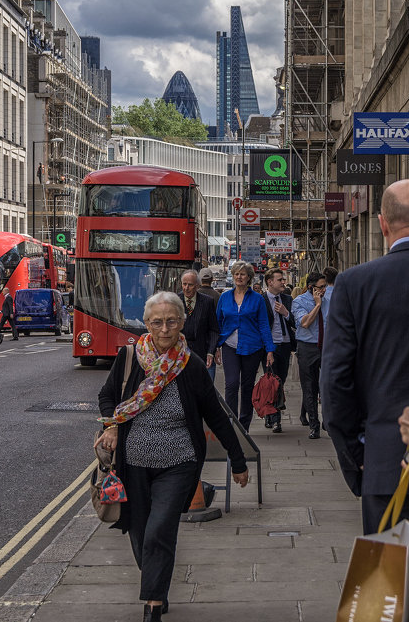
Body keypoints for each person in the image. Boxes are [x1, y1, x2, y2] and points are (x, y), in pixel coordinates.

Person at [97, 291, 248, 622]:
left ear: (182, 322)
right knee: (138, 532)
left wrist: (238, 461)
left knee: (159, 530)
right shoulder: (128, 358)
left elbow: (217, 415)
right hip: (132, 463)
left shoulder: (190, 365)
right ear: (147, 324)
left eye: (172, 321)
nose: (165, 329)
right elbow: (107, 396)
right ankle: (157, 584)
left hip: (178, 463)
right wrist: (111, 426)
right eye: (157, 322)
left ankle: (152, 605)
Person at [321, 179, 409, 534]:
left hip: (385, 463)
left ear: (383, 223)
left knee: (394, 587)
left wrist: (356, 456)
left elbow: (335, 380)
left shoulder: (354, 284)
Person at [216, 261, 274, 432]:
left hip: (252, 347)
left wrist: (270, 350)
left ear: (249, 277)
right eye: (236, 274)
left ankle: (244, 425)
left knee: (247, 386)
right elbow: (218, 322)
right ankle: (231, 423)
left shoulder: (257, 299)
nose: (239, 277)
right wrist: (215, 347)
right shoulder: (225, 297)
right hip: (229, 346)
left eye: (242, 274)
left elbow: (264, 324)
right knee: (232, 384)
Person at [292, 272, 328, 439]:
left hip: (327, 347)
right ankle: (314, 425)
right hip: (307, 347)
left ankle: (328, 420)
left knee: (328, 386)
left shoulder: (331, 300)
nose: (324, 290)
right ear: (311, 288)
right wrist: (317, 305)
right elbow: (305, 323)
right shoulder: (299, 302)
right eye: (321, 287)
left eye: (325, 286)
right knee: (310, 387)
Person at [262, 268, 296, 433]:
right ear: (270, 282)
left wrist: (286, 313)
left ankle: (270, 413)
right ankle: (276, 419)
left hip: (286, 344)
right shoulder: (261, 300)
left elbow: (296, 321)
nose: (283, 282)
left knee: (280, 381)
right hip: (270, 345)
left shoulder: (288, 299)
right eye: (280, 280)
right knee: (272, 382)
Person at [178, 270, 219, 381]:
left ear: (197, 286)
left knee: (205, 392)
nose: (186, 288)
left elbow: (214, 330)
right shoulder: (175, 301)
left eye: (190, 285)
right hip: (179, 357)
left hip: (203, 355)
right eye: (184, 284)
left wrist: (211, 352)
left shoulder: (207, 302)